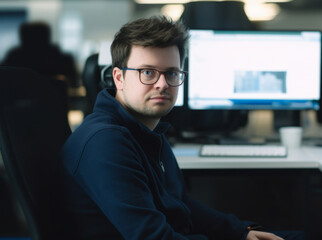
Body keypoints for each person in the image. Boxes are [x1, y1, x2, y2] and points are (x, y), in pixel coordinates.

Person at [58, 16, 304, 240]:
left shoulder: (147, 129)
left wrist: (240, 232)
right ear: (119, 78)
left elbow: (178, 203)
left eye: (172, 73)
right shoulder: (105, 142)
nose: (162, 84)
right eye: (148, 72)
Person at [2, 21, 78, 87]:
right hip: (56, 102)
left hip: (17, 103)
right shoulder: (63, 60)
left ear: (23, 36)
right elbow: (74, 85)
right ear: (47, 35)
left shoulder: (13, 59)